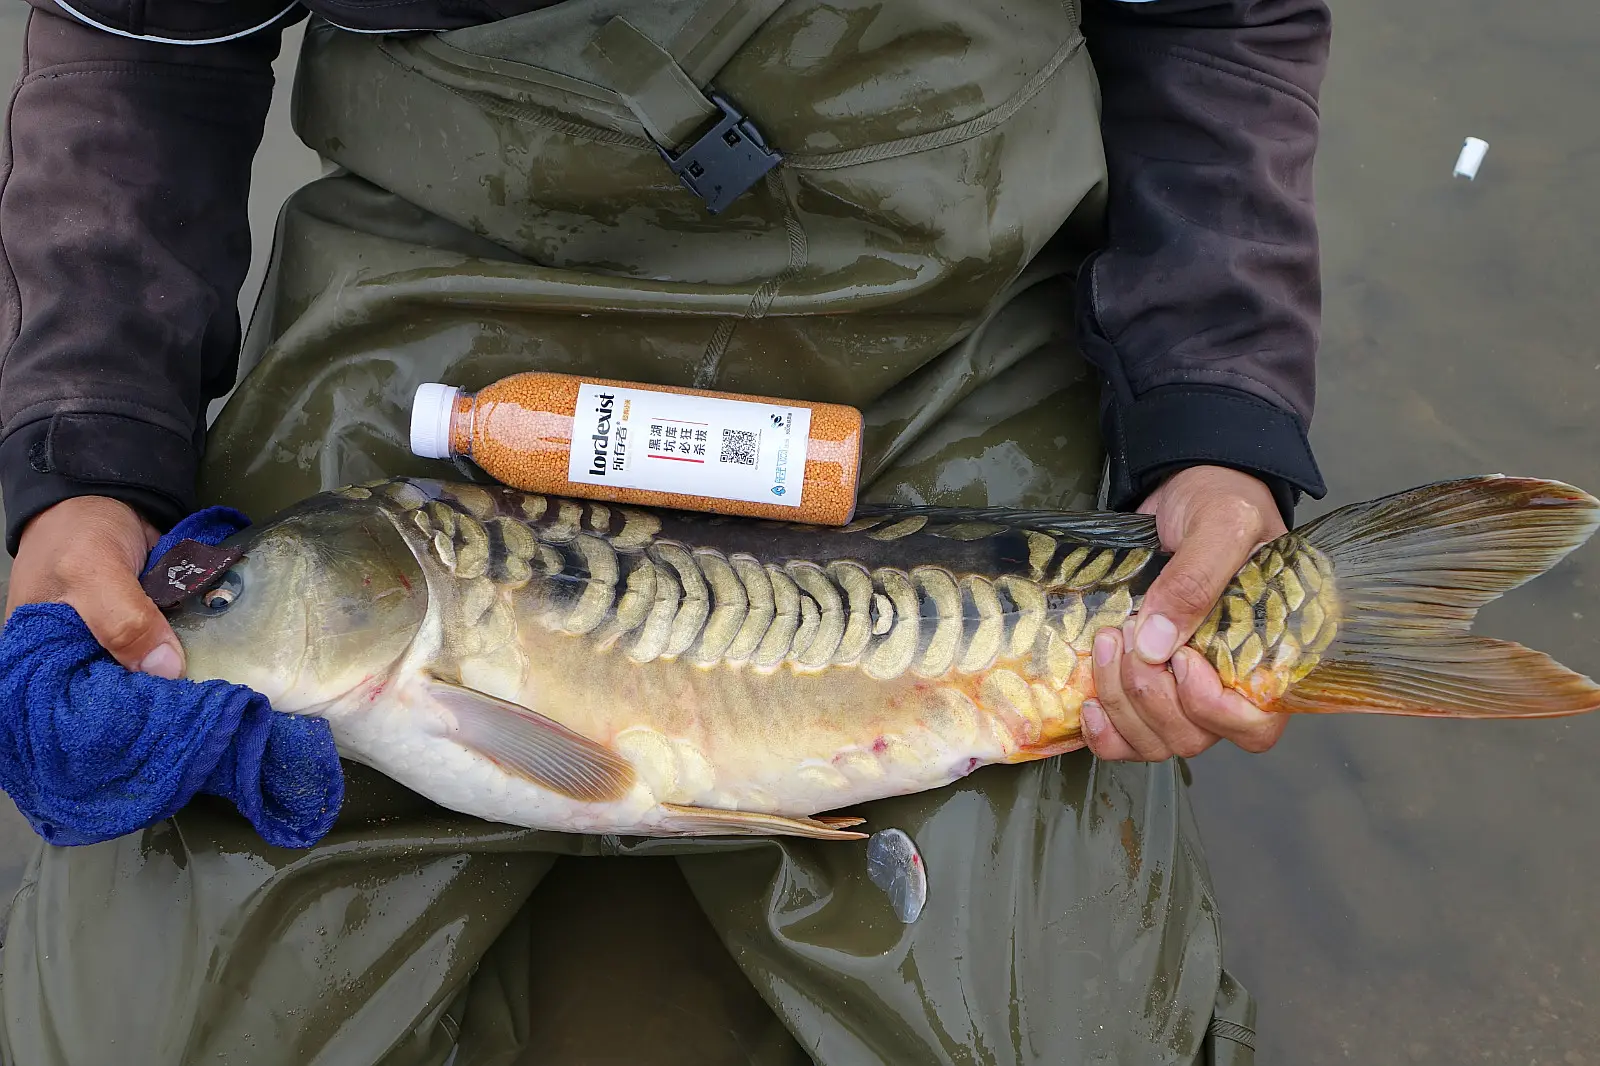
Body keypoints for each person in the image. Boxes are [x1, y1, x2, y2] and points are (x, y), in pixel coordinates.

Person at [0, 0, 1330, 1063]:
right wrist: (88, 450)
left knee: (1052, 1026)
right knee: (136, 1033)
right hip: (441, 338)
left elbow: (1217, 18)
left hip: (940, 329)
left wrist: (1217, 419)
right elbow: (139, 43)